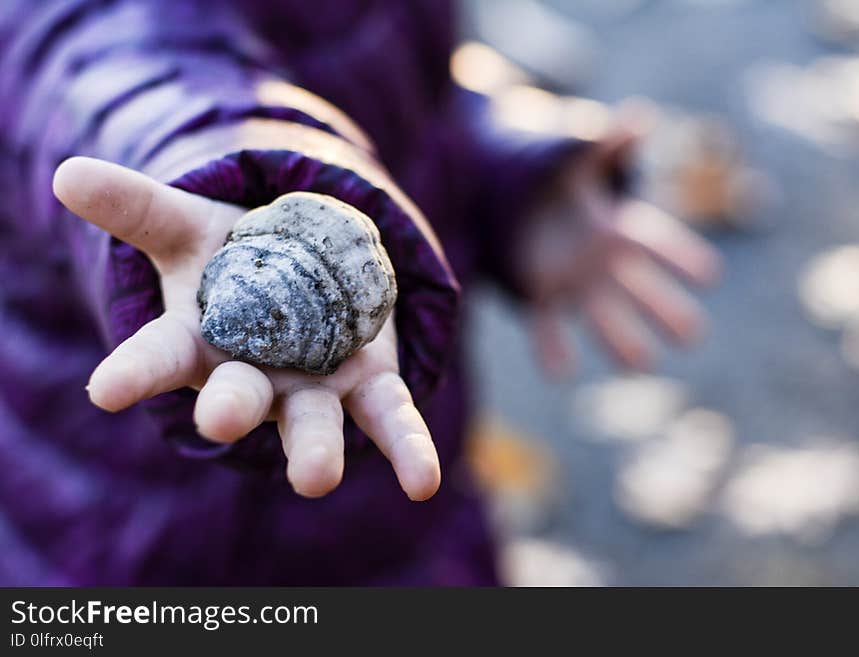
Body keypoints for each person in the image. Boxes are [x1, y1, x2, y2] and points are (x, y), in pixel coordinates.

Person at [0, 0, 720, 585]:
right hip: (123, 539)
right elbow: (102, 58)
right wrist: (215, 158)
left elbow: (405, 84)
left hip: (404, 512)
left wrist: (508, 165)